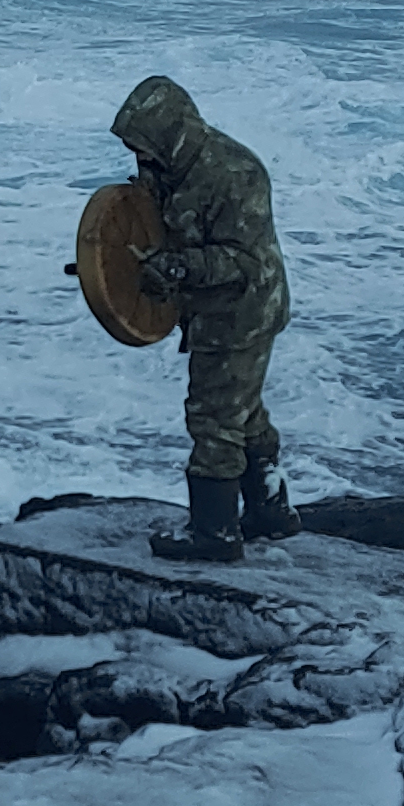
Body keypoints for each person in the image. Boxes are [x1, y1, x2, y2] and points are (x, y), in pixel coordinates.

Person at [113, 73, 293, 557]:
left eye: (145, 146)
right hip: (212, 310)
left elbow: (246, 262)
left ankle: (214, 534)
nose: (140, 158)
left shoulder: (235, 175)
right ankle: (270, 511)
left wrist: (178, 265)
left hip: (242, 314)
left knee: (213, 418)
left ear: (171, 133)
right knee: (244, 410)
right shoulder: (170, 169)